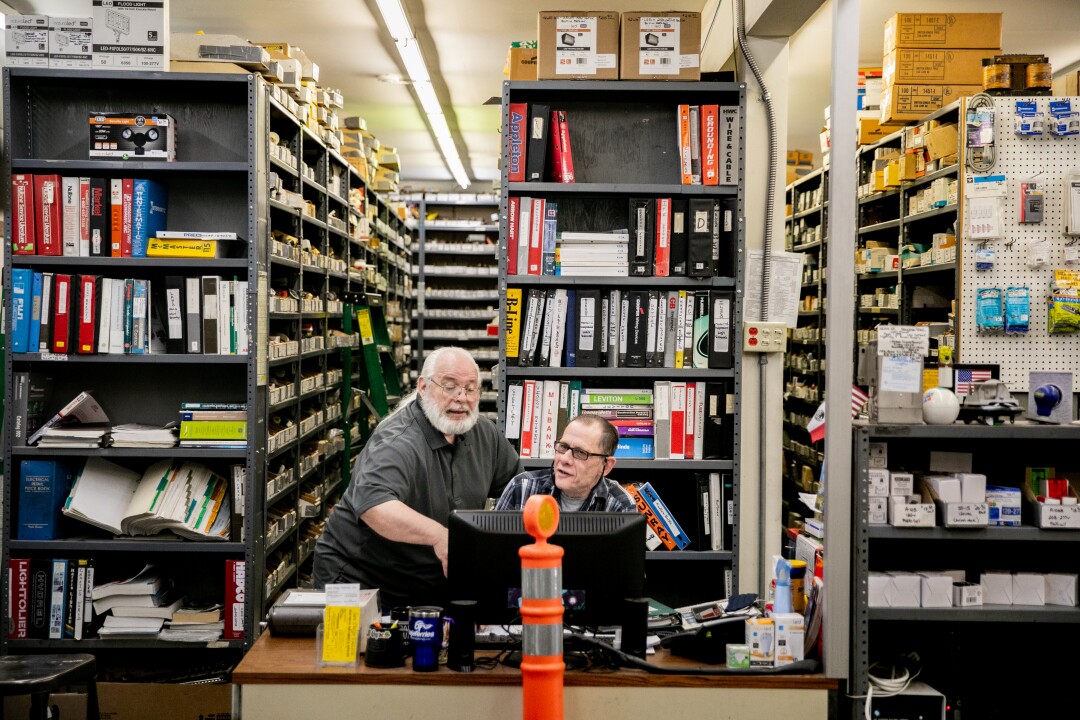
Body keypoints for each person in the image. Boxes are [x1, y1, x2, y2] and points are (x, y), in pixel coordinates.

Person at [313, 346, 522, 610]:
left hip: (430, 585)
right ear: (423, 387)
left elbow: (520, 490)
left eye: (471, 389)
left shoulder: (484, 435)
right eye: (449, 387)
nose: (461, 398)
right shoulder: (398, 440)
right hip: (363, 583)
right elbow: (374, 505)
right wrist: (439, 537)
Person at [495, 415, 636, 512]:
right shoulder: (521, 487)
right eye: (563, 446)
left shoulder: (620, 504)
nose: (564, 459)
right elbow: (494, 552)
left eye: (581, 452)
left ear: (606, 466)